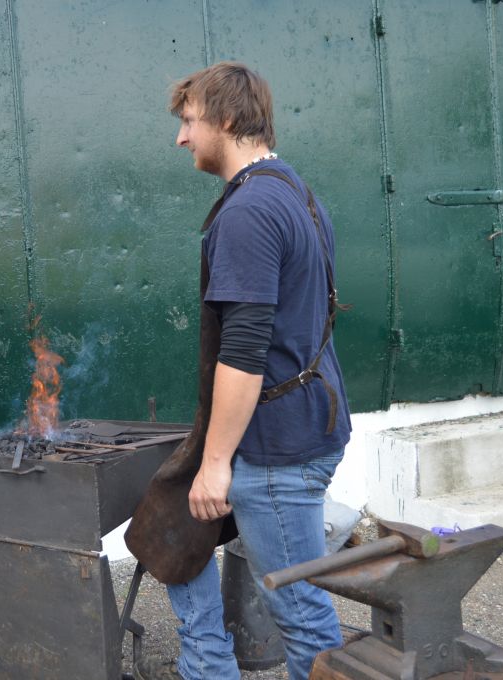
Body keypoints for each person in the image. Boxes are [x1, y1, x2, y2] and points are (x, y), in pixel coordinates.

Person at [133, 62, 352, 680]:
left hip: (277, 446)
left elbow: (245, 351)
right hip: (302, 426)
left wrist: (215, 463)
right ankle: (207, 661)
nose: (181, 137)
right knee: (170, 523)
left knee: (299, 612)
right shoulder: (294, 191)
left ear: (227, 119)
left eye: (189, 121)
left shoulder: (250, 211)